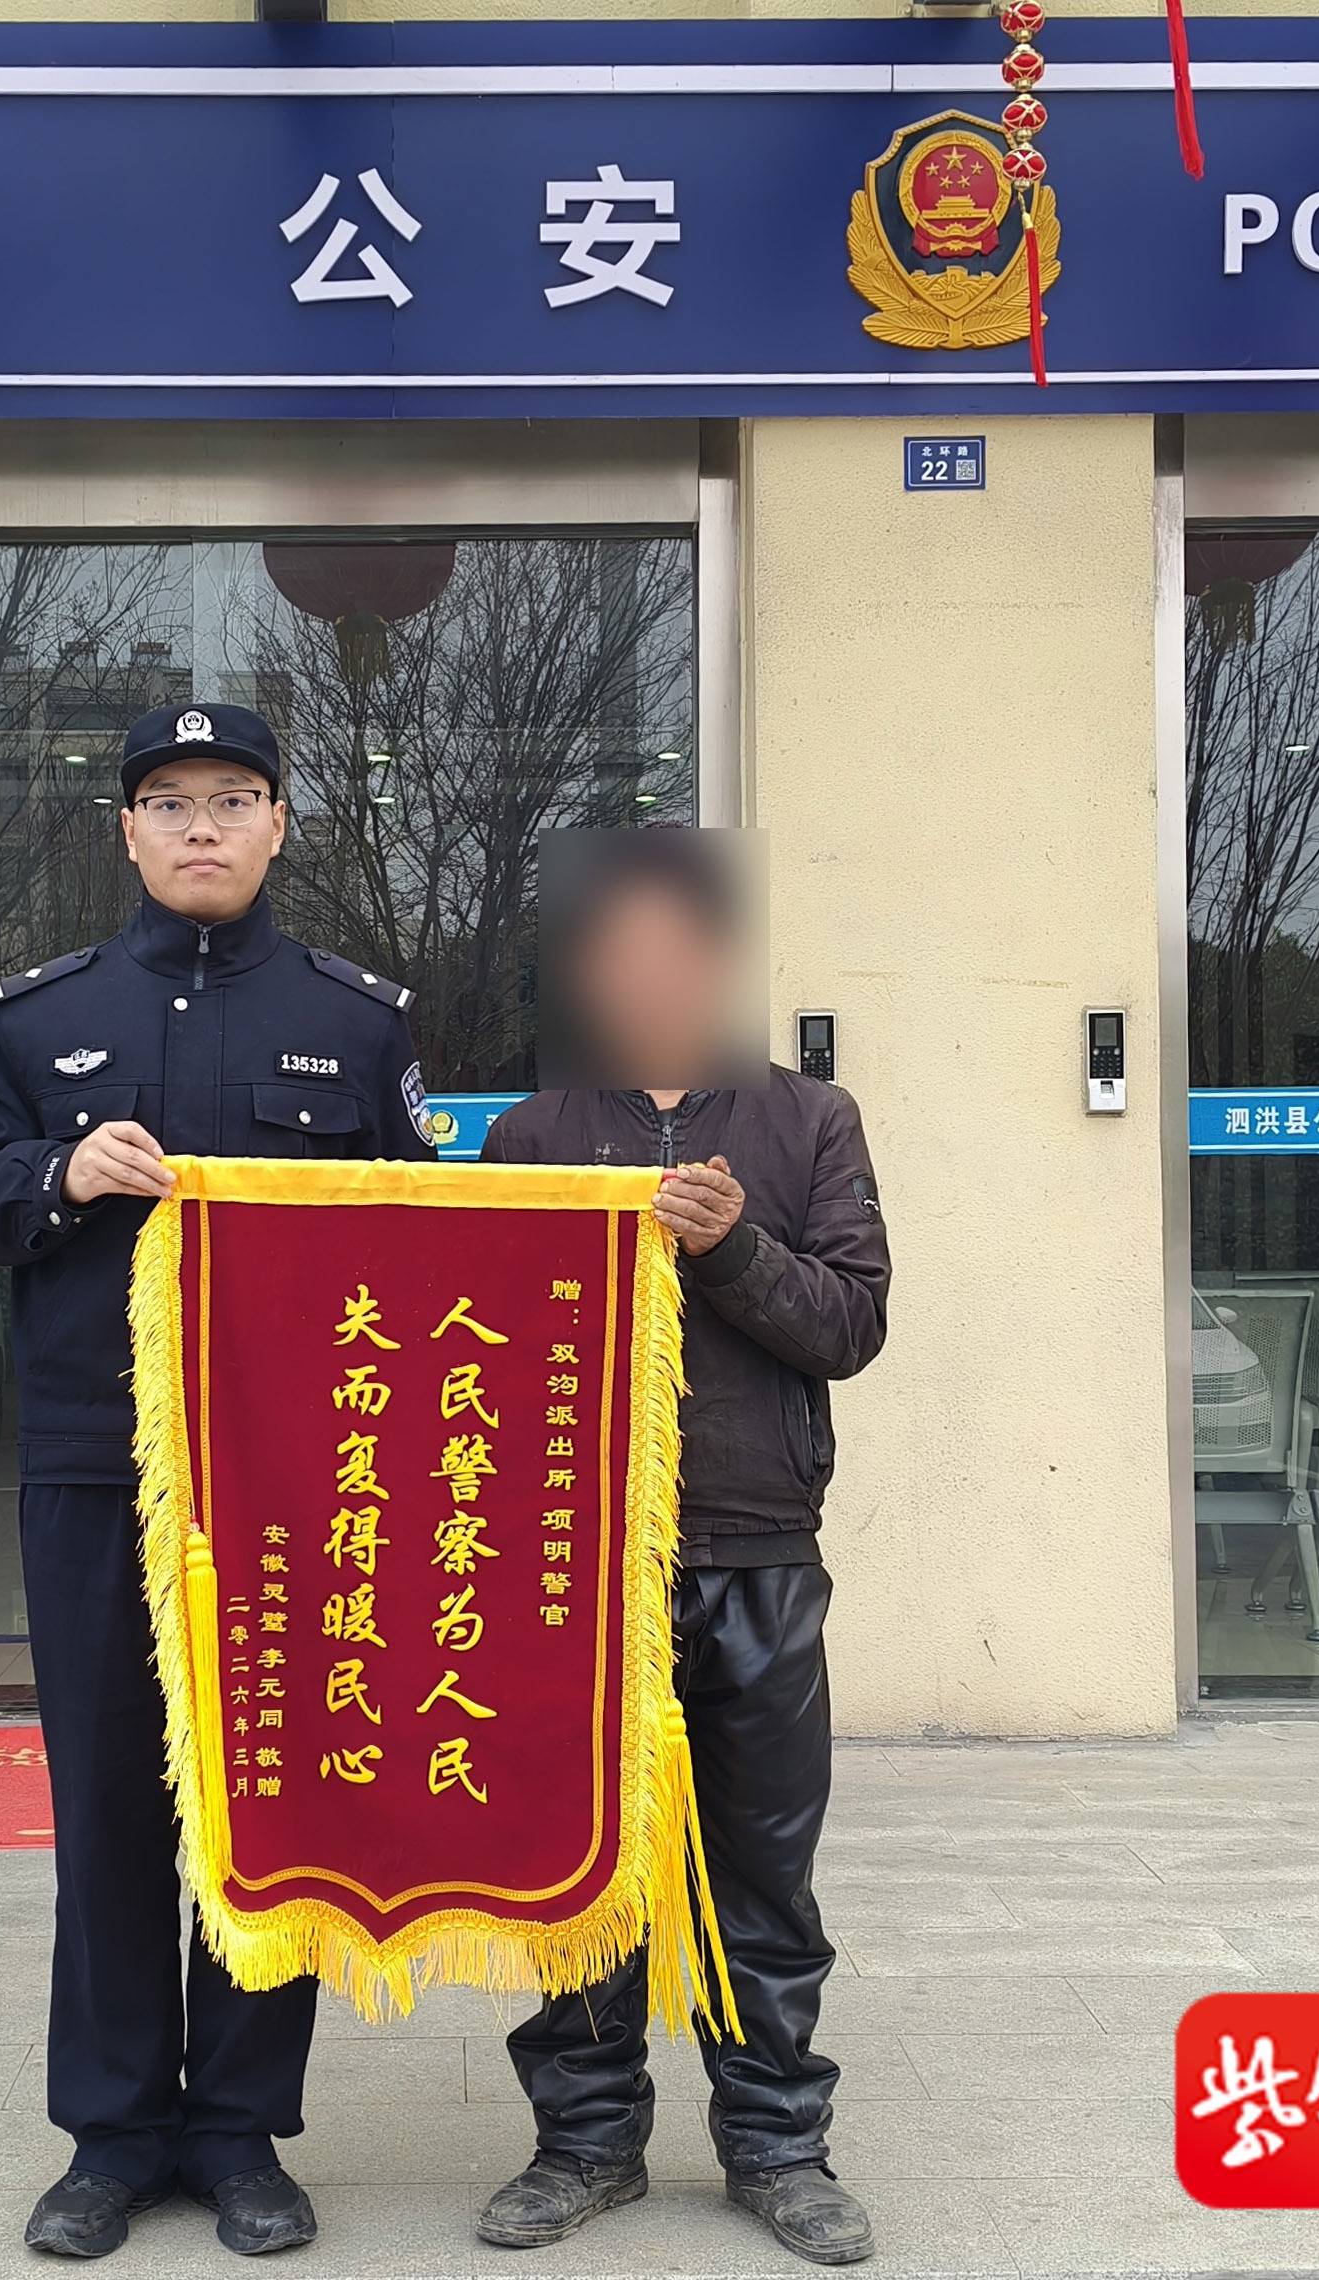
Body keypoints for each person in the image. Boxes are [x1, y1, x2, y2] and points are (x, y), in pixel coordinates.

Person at [0, 699, 433, 2262]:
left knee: (271, 1800)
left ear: (278, 824)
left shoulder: (354, 1022)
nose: (199, 826)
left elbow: (423, 1240)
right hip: (99, 1470)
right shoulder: (39, 1020)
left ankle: (239, 2133)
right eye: (168, 801)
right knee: (107, 1804)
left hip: (295, 1480)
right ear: (126, 832)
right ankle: (113, 2135)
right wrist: (59, 1173)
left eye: (230, 798)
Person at [472, 828, 892, 2268]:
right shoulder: (529, 1137)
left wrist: (734, 1250)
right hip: (575, 1568)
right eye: (621, 947)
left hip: (757, 1548)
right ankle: (583, 2143)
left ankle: (777, 2146)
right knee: (578, 1868)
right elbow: (482, 1358)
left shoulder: (807, 1120)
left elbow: (852, 1324)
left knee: (759, 1871)